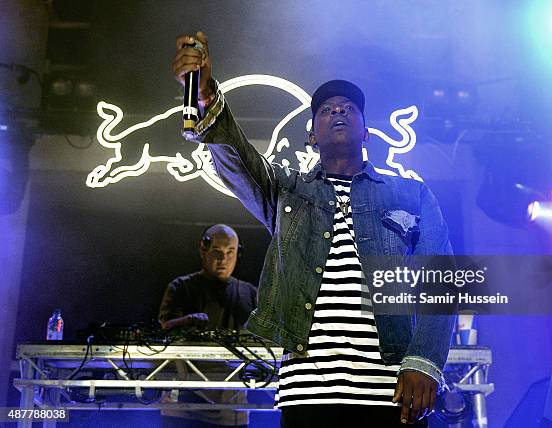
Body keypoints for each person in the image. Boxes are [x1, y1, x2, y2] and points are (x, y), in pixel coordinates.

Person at [172, 32, 456, 427]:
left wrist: (425, 361)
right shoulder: (287, 190)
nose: (337, 112)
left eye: (348, 109)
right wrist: (205, 97)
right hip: (308, 393)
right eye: (325, 110)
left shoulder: (410, 193)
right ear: (311, 135)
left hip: (391, 392)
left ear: (365, 132)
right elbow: (238, 159)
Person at [158, 224, 257, 428]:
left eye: (231, 252)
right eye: (217, 252)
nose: (224, 260)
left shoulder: (250, 293)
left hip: (232, 413)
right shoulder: (181, 287)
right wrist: (188, 320)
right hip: (183, 411)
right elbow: (163, 330)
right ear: (203, 249)